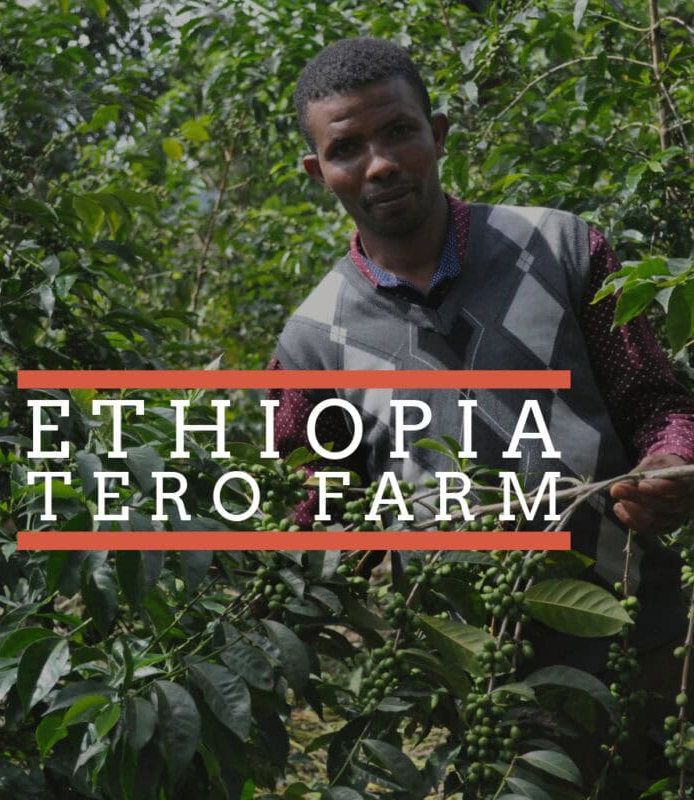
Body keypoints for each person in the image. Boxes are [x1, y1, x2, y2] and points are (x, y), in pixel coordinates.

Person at [268, 35, 694, 788]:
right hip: (475, 661)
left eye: (399, 131)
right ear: (318, 172)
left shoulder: (563, 249)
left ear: (436, 134)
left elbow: (655, 402)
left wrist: (669, 463)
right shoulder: (311, 342)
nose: (380, 164)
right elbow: (314, 507)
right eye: (348, 148)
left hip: (635, 624)